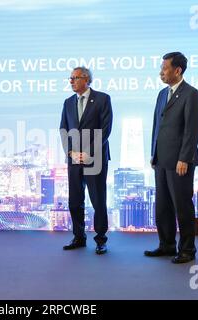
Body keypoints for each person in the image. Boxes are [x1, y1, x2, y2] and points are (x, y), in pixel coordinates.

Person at [144, 52, 198, 264]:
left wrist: (184, 158)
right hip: (161, 159)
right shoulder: (162, 94)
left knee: (182, 206)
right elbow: (156, 126)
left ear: (177, 70)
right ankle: (166, 245)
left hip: (180, 161)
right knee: (163, 206)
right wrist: (153, 153)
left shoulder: (191, 94)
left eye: (165, 68)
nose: (161, 71)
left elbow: (192, 129)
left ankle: (187, 250)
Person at [60, 66, 113, 255]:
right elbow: (63, 130)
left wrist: (89, 152)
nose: (71, 81)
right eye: (70, 78)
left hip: (96, 158)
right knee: (75, 200)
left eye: (75, 78)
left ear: (86, 79)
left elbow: (105, 130)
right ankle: (79, 237)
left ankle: (101, 240)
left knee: (98, 200)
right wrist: (71, 152)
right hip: (74, 159)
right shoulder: (67, 103)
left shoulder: (102, 99)